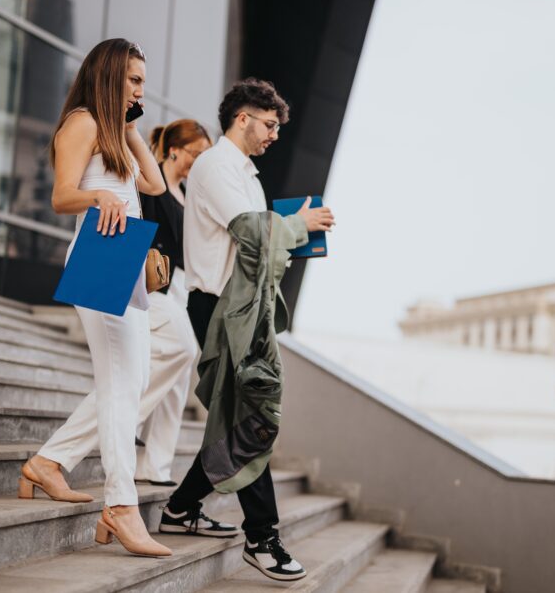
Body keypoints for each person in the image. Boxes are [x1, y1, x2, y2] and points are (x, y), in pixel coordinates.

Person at [156, 78, 335, 581]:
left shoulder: (246, 174)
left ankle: (180, 508)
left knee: (240, 416)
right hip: (217, 307)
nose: (275, 135)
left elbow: (258, 246)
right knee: (248, 418)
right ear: (242, 118)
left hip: (240, 309)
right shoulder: (216, 167)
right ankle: (263, 537)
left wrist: (292, 230)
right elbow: (254, 234)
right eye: (270, 125)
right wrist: (301, 225)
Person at [18, 38, 171, 558]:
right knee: (122, 385)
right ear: (108, 76)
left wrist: (130, 125)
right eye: (132, 79)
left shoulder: (112, 130)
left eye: (143, 81)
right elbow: (63, 196)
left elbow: (154, 183)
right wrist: (99, 194)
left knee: (133, 380)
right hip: (99, 255)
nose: (140, 89)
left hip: (122, 257)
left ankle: (48, 462)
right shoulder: (80, 122)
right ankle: (120, 506)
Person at [133, 120, 212, 488]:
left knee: (179, 379)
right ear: (174, 149)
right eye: (196, 153)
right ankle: (125, 421)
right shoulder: (152, 185)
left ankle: (156, 467)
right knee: (178, 352)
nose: (199, 162)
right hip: (155, 287)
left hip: (181, 289)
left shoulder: (189, 196)